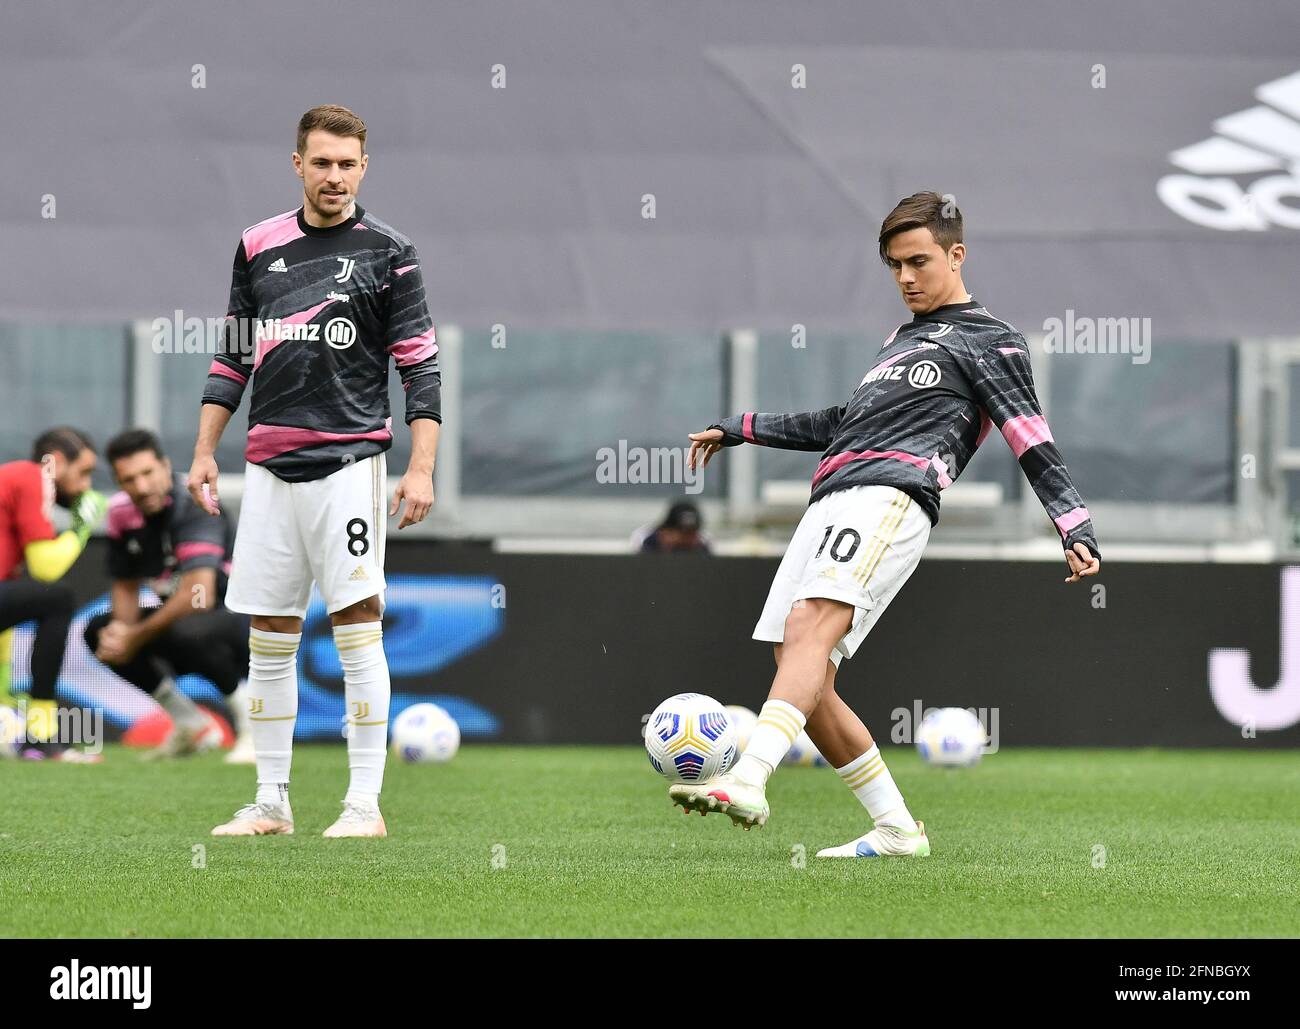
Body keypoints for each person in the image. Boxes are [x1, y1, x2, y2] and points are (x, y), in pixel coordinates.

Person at [673, 192, 1101, 858]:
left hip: (891, 496)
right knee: (801, 667)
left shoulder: (991, 340)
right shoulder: (900, 340)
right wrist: (741, 428)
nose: (905, 277)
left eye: (919, 261)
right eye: (895, 265)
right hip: (832, 499)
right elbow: (843, 421)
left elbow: (1030, 435)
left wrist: (1073, 524)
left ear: (957, 254)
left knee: (812, 626)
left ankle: (750, 776)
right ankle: (898, 829)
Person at [188, 104, 441, 838]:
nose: (334, 176)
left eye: (347, 163)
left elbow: (420, 368)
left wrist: (419, 468)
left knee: (357, 621)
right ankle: (271, 800)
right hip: (268, 466)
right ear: (297, 163)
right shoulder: (256, 245)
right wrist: (205, 449)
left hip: (349, 463)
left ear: (365, 167)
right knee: (270, 629)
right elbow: (232, 354)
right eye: (321, 162)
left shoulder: (390, 250)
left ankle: (364, 803)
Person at [83, 429, 253, 761]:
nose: (142, 487)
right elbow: (125, 584)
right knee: (99, 631)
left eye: (147, 473)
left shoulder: (196, 504)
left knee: (191, 629)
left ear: (165, 466)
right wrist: (122, 633)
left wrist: (135, 636)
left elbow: (198, 595)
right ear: (118, 482)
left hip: (240, 619)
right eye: (129, 479)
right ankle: (191, 725)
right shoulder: (121, 514)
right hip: (185, 621)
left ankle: (253, 729)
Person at [0, 427, 106, 760]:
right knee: (57, 598)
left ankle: (25, 732)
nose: (86, 485)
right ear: (56, 462)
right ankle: (42, 732)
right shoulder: (34, 476)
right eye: (84, 472)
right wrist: (83, 526)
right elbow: (46, 566)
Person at [636, 501, 712, 554]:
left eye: (691, 535)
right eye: (682, 535)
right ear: (664, 532)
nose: (685, 541)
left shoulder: (701, 548)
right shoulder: (651, 545)